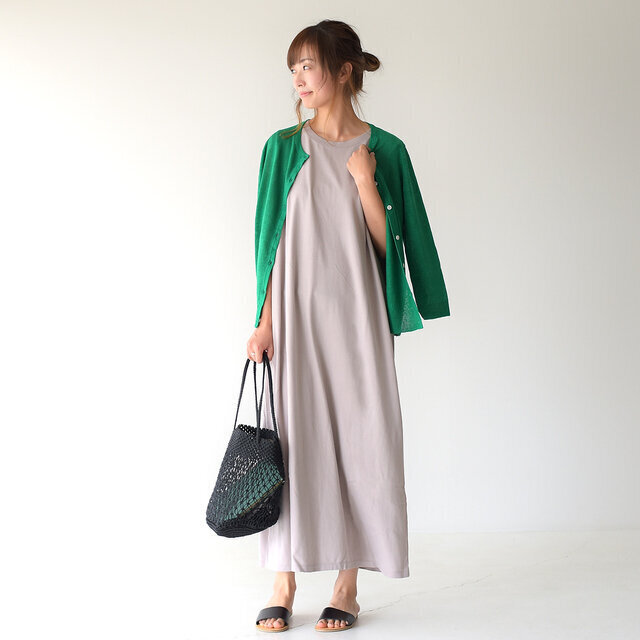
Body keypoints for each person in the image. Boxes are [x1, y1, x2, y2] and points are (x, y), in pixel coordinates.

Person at [247, 19, 450, 633]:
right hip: (296, 321)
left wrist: (364, 180)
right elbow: (267, 246)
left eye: (308, 66)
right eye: (293, 69)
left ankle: (347, 585)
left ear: (343, 71)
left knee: (365, 442)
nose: (298, 79)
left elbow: (393, 247)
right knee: (292, 442)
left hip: (359, 320)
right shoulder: (282, 148)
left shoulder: (385, 150)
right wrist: (263, 322)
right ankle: (282, 579)